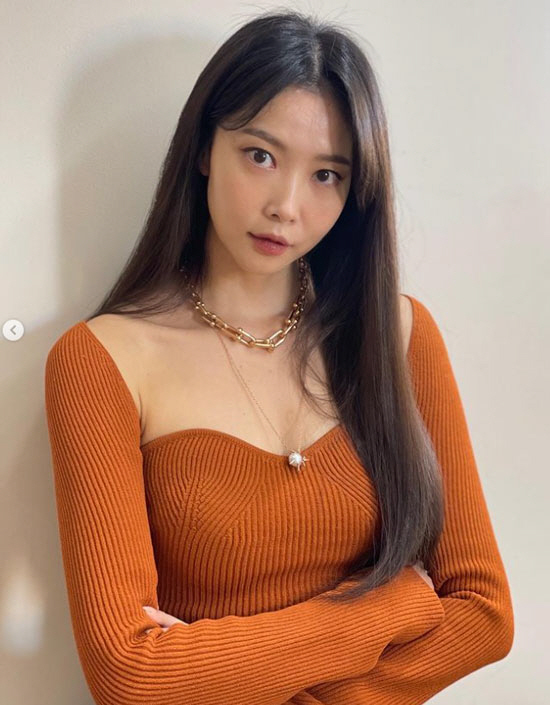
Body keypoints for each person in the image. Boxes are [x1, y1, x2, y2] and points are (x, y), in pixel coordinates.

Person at [44, 10, 514, 705]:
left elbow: (483, 612)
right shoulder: (102, 359)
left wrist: (221, 671)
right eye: (260, 156)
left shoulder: (397, 334)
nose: (287, 206)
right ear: (205, 148)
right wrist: (391, 607)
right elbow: (131, 675)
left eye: (326, 174)